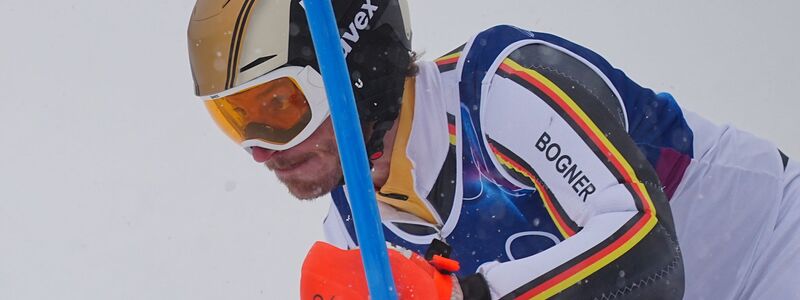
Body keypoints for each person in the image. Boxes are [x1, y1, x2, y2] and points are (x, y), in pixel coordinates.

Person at [186, 0, 799, 299]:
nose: (262, 150)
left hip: (769, 253)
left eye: (278, 107)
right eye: (235, 119)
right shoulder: (356, 229)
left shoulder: (499, 88)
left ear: (355, 69)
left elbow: (650, 263)